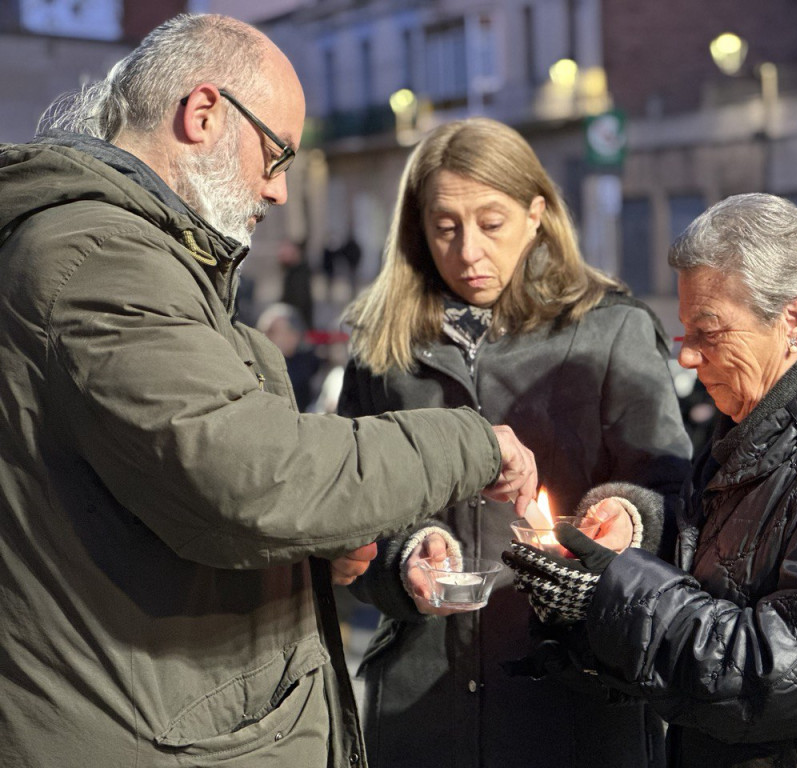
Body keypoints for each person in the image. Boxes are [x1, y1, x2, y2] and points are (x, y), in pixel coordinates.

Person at [0, 15, 539, 768]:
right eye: (278, 153)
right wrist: (470, 439)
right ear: (204, 114)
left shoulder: (138, 251)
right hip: (142, 734)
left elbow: (162, 493)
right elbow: (250, 475)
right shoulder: (98, 257)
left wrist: (308, 554)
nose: (280, 189)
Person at [505, 193, 797, 766]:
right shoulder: (763, 422)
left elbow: (792, 671)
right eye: (684, 335)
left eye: (708, 332)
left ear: (794, 321)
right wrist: (634, 535)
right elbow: (727, 573)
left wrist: (614, 591)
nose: (687, 359)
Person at [337, 116, 692, 767]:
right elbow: (343, 515)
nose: (468, 249)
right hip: (421, 710)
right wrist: (404, 559)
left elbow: (676, 500)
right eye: (445, 226)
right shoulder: (380, 347)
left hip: (571, 701)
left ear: (536, 214)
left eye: (491, 223)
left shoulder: (611, 330)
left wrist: (628, 521)